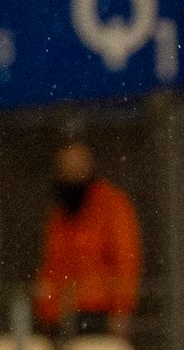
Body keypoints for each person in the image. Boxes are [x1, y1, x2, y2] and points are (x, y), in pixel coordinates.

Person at [32, 141, 142, 338]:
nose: (71, 172)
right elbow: (52, 265)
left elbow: (126, 259)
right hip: (62, 315)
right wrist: (46, 309)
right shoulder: (61, 212)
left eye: (76, 165)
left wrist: (121, 310)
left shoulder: (111, 204)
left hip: (98, 312)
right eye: (65, 167)